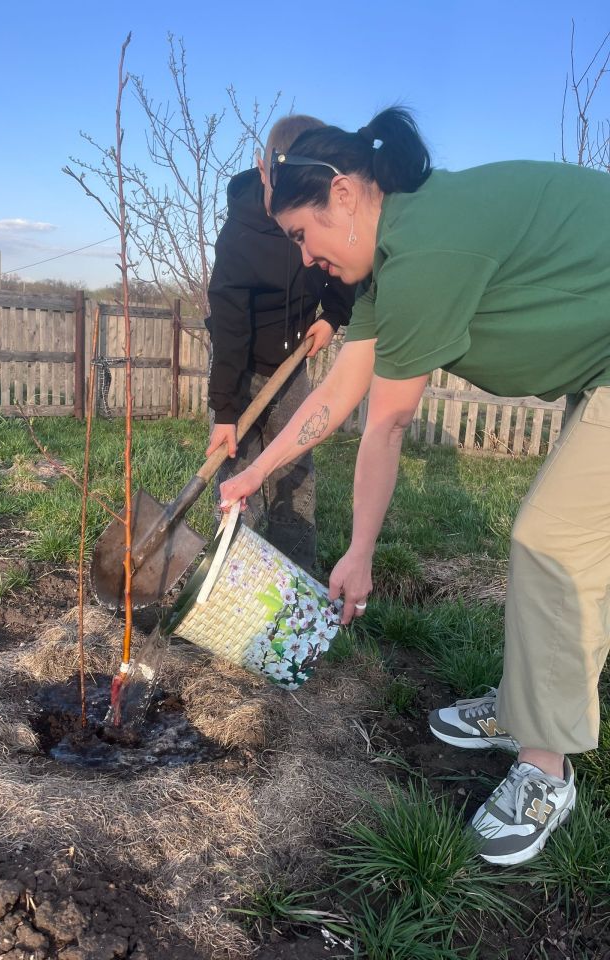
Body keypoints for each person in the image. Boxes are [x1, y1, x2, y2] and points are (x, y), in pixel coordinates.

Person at [218, 107, 610, 866]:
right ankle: (527, 703)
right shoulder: (391, 261)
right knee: (562, 541)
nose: (303, 258)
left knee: (553, 540)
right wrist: (254, 473)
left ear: (345, 194)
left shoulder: (428, 249)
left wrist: (359, 553)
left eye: (302, 233)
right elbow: (338, 395)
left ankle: (546, 768)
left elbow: (386, 425)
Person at [204, 115, 355, 572]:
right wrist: (226, 411)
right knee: (235, 476)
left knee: (294, 472)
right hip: (240, 369)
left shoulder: (320, 212)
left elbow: (342, 261)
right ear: (262, 168)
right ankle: (235, 580)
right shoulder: (240, 236)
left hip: (291, 369)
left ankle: (294, 581)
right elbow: (229, 326)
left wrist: (333, 316)